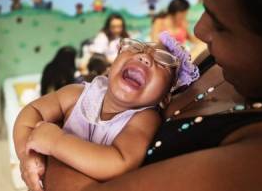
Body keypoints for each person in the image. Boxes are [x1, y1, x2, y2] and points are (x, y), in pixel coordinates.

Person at [44, 0, 262, 190]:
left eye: (220, 25)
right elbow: (37, 114)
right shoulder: (213, 59)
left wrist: (55, 140)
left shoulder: (255, 161)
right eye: (204, 8)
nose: (198, 29)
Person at [14, 33, 199, 191]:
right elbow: (33, 110)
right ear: (111, 66)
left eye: (162, 62)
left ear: (165, 98)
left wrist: (56, 142)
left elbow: (120, 161)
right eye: (136, 48)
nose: (145, 57)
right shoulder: (77, 94)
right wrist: (27, 155)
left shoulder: (143, 118)